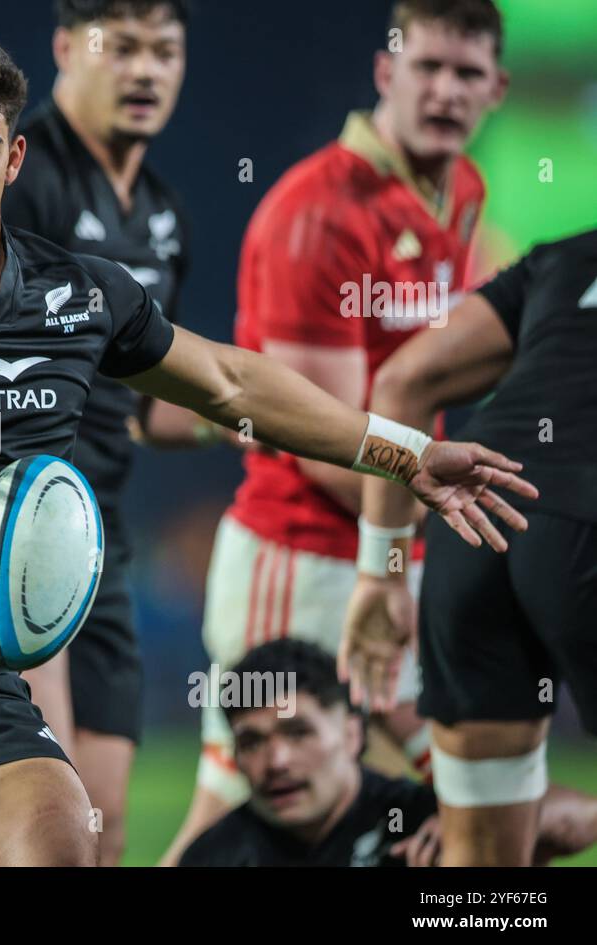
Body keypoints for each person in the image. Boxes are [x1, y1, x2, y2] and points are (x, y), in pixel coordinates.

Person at [0, 21, 533, 867]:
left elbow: (232, 384)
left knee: (65, 848)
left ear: (14, 159)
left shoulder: (84, 295)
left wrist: (404, 451)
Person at [165, 0, 510, 865]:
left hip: (388, 547)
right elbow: (321, 446)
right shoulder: (315, 217)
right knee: (232, 816)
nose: (445, 91)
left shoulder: (459, 191)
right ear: (385, 73)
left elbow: (487, 317)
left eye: (466, 73)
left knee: (487, 799)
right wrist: (445, 504)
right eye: (426, 67)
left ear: (498, 89)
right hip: (300, 554)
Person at [0, 0, 213, 865]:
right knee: (30, 823)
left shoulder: (165, 214)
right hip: (16, 525)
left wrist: (254, 416)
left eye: (164, 51)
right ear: (64, 49)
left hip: (104, 546)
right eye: (120, 48)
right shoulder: (22, 178)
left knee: (102, 828)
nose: (146, 71)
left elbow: (154, 407)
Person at [342, 227, 597, 865]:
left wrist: (383, 575)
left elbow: (404, 381)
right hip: (582, 526)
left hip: (477, 522)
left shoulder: (566, 257)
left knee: (481, 873)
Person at [179, 639, 597, 866]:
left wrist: (482, 825)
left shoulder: (420, 819)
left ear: (351, 733)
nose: (277, 762)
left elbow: (581, 816)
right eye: (253, 742)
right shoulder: (215, 855)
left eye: (298, 732)